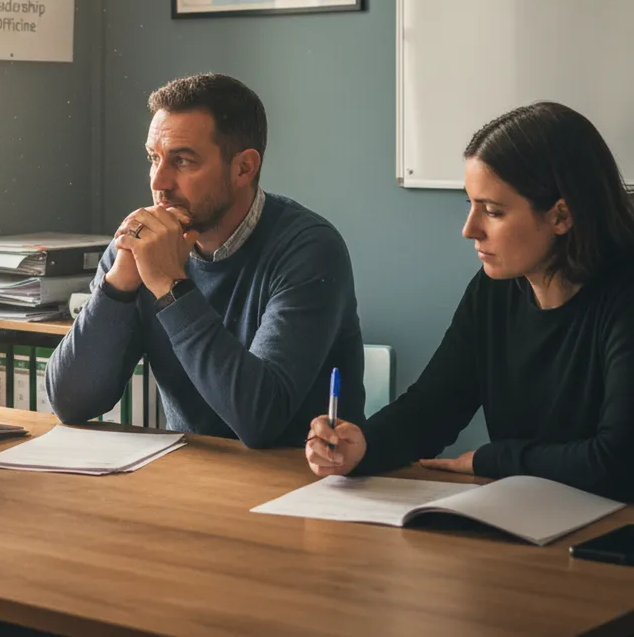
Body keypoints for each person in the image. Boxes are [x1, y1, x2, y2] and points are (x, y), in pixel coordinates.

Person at [306, 102, 634, 503]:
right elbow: (432, 409)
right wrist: (361, 446)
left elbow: (617, 463)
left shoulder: (623, 296)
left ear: (561, 216)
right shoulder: (494, 289)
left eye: (493, 211)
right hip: (531, 520)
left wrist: (492, 459)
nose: (469, 230)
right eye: (471, 205)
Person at [46, 73, 364, 447]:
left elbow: (259, 419)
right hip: (192, 478)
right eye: (154, 158)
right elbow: (70, 403)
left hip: (298, 483)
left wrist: (170, 286)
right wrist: (118, 285)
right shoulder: (141, 245)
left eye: (182, 161)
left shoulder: (309, 249)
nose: (159, 182)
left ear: (244, 167)